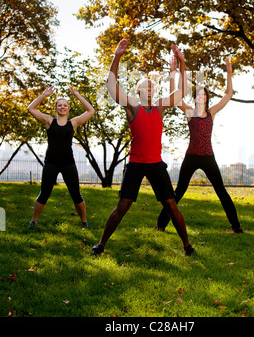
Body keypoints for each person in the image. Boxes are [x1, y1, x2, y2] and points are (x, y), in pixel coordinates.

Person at [92, 39, 194, 256]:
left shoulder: (160, 106)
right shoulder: (132, 106)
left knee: (171, 204)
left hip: (156, 164)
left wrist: (182, 64)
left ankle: (187, 246)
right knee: (123, 205)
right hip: (136, 164)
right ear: (137, 92)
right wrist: (117, 56)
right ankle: (101, 244)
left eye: (152, 87)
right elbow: (111, 86)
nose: (149, 89)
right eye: (144, 87)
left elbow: (182, 91)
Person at [156, 57, 243, 234]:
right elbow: (175, 97)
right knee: (178, 192)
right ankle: (160, 225)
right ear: (195, 97)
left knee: (221, 192)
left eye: (204, 94)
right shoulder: (189, 112)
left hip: (208, 157)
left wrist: (229, 72)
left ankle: (236, 227)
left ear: (206, 97)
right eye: (198, 94)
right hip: (191, 157)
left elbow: (228, 94)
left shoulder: (212, 112)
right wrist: (173, 73)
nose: (201, 97)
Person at [27, 86, 95, 228]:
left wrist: (77, 95)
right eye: (60, 105)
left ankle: (84, 222)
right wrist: (43, 95)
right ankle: (33, 221)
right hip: (51, 163)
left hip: (68, 163)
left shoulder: (74, 123)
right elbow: (31, 109)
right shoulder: (48, 121)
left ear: (68, 108)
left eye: (65, 105)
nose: (62, 107)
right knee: (44, 193)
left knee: (76, 194)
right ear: (56, 108)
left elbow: (91, 111)